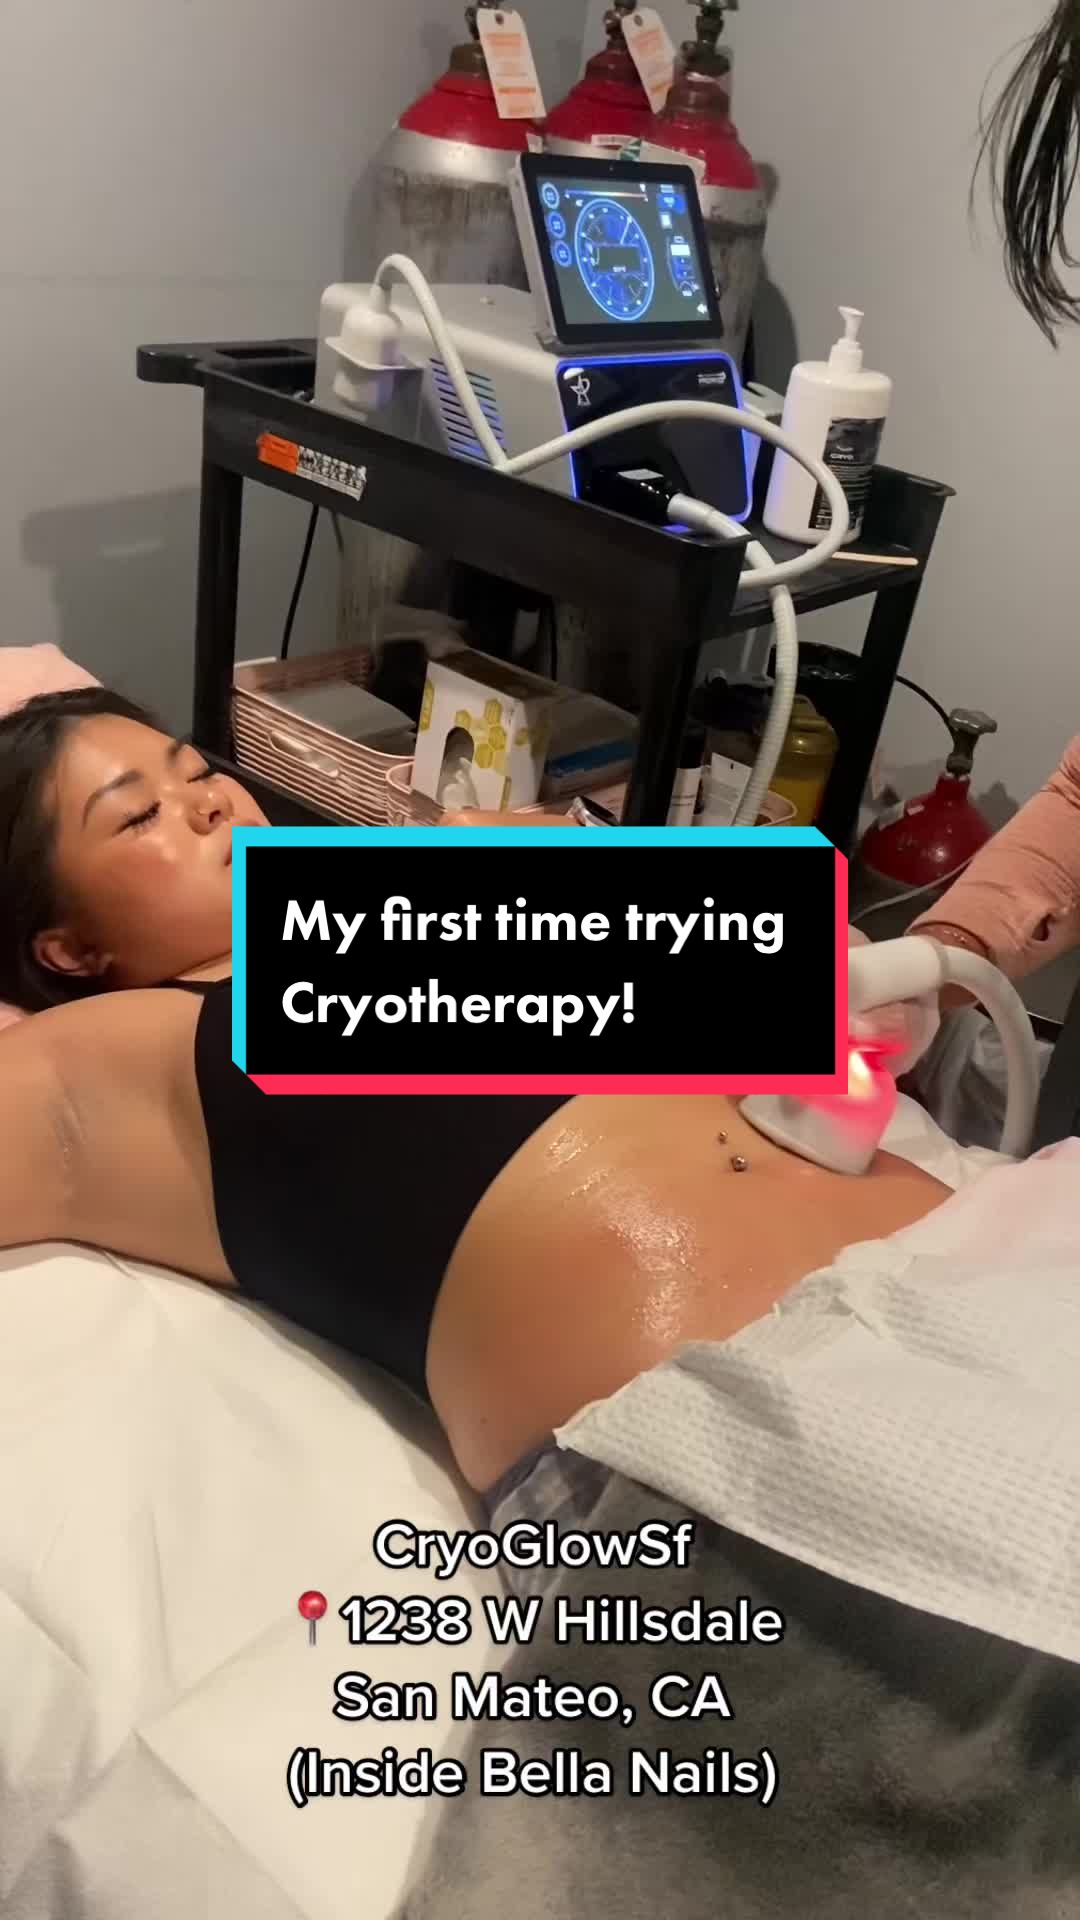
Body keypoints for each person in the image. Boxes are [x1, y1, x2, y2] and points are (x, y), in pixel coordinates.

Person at [0, 686, 949, 1501]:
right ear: (71, 949)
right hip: (721, 1444)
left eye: (197, 771)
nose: (209, 802)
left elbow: (813, 976)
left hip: (955, 1279)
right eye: (139, 815)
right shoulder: (128, 1046)